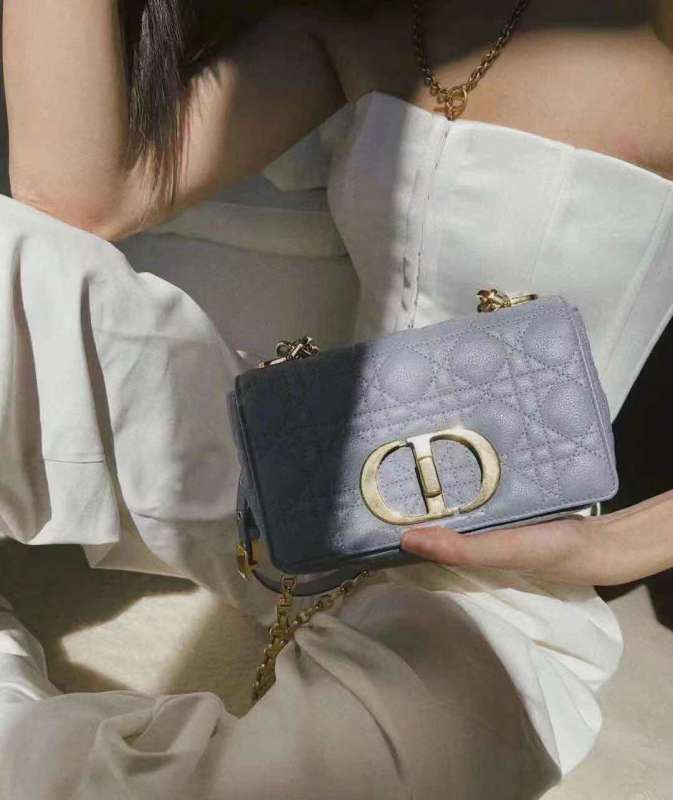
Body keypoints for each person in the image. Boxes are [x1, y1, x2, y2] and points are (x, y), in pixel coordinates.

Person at [1, 0, 672, 796]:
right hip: (294, 483)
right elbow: (84, 197)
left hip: (496, 569)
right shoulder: (381, 25)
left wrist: (606, 548)